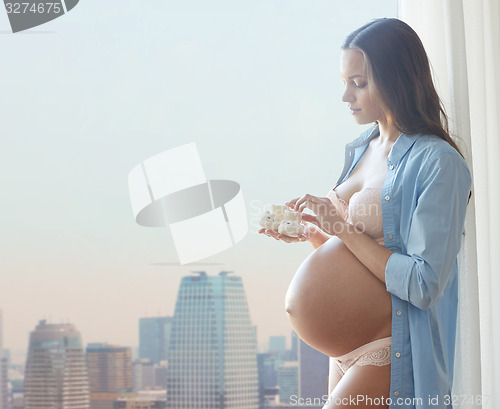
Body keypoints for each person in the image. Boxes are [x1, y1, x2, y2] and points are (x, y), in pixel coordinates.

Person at [259, 18, 471, 409]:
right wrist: (313, 235)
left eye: (358, 83)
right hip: (343, 351)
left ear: (397, 80)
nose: (345, 96)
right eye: (345, 82)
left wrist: (340, 226)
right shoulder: (361, 149)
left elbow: (425, 284)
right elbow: (359, 258)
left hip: (391, 344)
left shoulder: (438, 163)